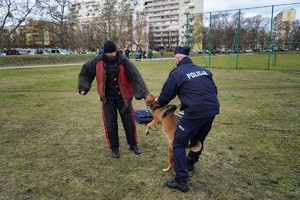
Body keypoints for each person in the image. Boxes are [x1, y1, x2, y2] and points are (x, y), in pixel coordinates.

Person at [155, 46, 220, 192]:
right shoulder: (204, 71)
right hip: (212, 109)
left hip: (195, 112)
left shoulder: (176, 74)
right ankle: (190, 162)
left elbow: (165, 97)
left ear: (177, 59)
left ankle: (181, 181)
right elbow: (214, 90)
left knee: (178, 142)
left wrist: (159, 99)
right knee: (198, 138)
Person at [78, 40, 148, 158]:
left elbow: (135, 76)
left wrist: (141, 92)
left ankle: (133, 145)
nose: (112, 54)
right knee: (110, 124)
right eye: (109, 53)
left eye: (114, 52)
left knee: (129, 123)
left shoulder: (123, 60)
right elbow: (85, 72)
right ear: (105, 52)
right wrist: (83, 87)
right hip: (108, 99)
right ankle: (114, 148)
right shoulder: (97, 61)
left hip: (123, 98)